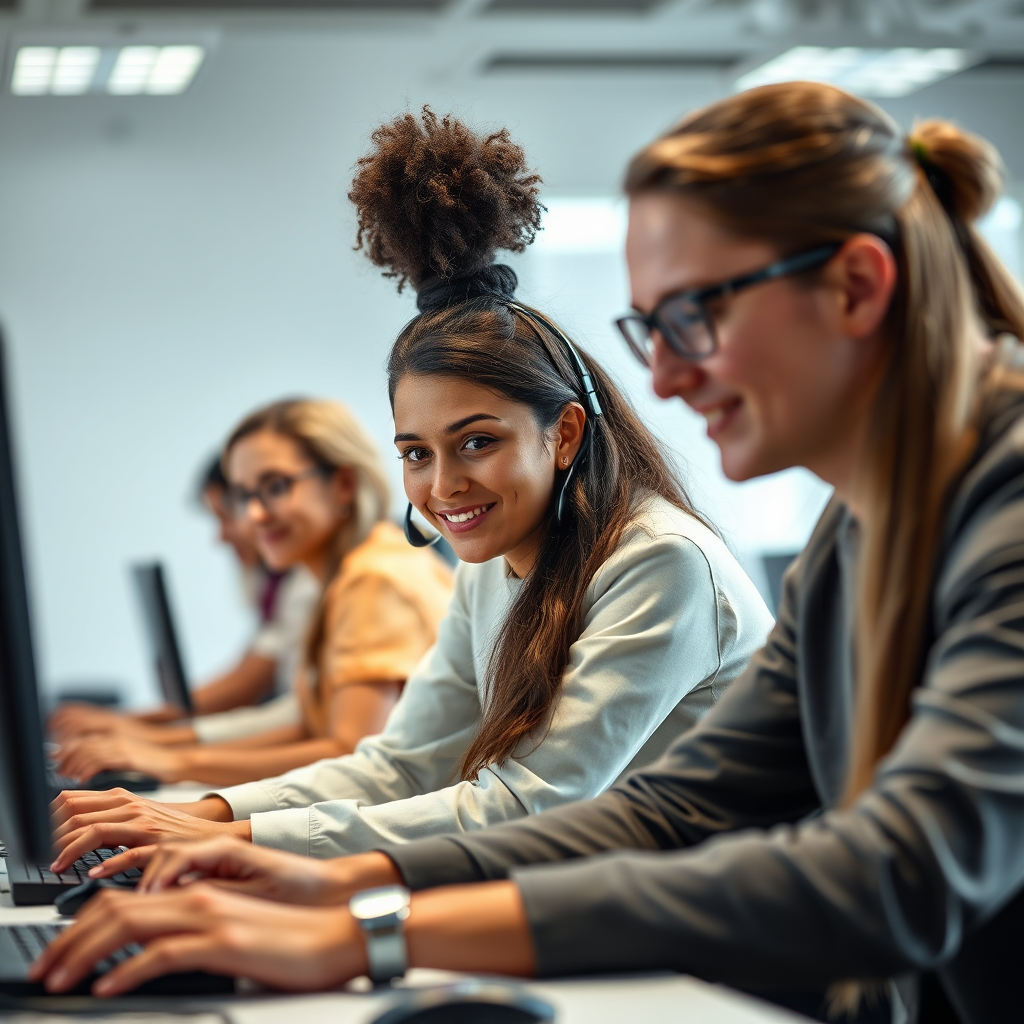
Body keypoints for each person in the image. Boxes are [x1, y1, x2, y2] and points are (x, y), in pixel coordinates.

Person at [37, 85, 1024, 1024]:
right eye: (650, 329)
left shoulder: (996, 511)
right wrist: (335, 883)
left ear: (856, 284)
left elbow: (896, 871)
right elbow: (668, 811)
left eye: (693, 316)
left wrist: (366, 932)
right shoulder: (858, 533)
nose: (668, 376)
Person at [48, 108, 772, 864]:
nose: (444, 484)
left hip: (725, 949)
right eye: (417, 453)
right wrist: (203, 813)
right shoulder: (491, 566)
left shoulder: (659, 563)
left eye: (478, 443)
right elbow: (402, 764)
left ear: (563, 434)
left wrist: (236, 835)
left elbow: (528, 806)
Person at [51, 398, 454, 787]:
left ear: (344, 483)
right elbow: (306, 725)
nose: (254, 516)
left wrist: (173, 760)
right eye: (244, 496)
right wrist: (159, 750)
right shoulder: (349, 574)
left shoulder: (375, 579)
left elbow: (348, 752)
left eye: (275, 486)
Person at [48, 456, 320, 747]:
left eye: (225, 517)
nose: (221, 537)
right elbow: (251, 671)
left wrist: (144, 733)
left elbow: (247, 686)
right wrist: (140, 728)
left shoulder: (310, 586)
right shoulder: (276, 584)